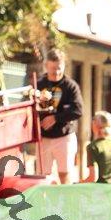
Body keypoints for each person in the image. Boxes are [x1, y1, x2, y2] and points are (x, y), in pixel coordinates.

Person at [37, 48, 83, 184]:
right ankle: (45, 197)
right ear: (46, 66)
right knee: (43, 176)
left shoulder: (71, 86)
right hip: (43, 138)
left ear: (63, 66)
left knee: (65, 174)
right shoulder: (38, 85)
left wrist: (55, 118)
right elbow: (28, 106)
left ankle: (66, 197)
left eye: (59, 68)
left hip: (64, 137)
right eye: (53, 69)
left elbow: (78, 110)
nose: (56, 72)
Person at [81, 111, 111, 184]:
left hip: (99, 189)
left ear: (95, 126)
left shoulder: (93, 147)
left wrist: (80, 182)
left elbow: (93, 177)